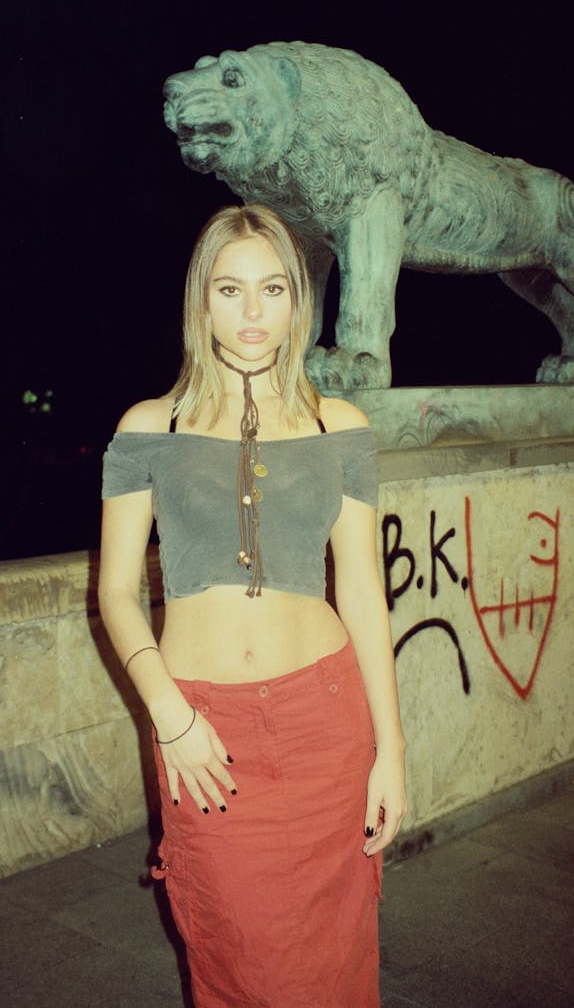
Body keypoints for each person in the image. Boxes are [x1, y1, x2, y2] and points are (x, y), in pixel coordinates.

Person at [99, 203, 406, 1007]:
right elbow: (116, 590)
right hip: (203, 733)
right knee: (238, 962)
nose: (252, 312)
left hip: (326, 726)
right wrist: (168, 711)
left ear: (298, 302)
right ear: (202, 299)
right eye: (230, 289)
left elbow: (365, 594)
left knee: (335, 964)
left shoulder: (339, 425)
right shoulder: (147, 427)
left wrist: (393, 750)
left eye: (273, 288)